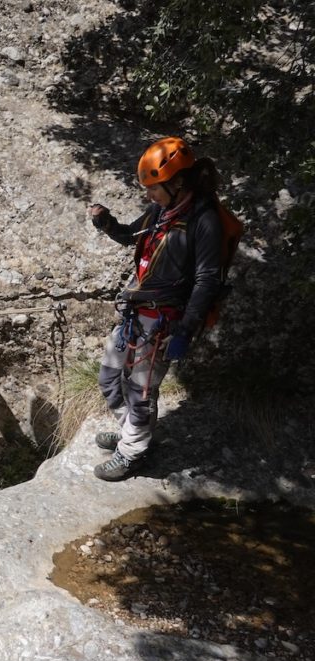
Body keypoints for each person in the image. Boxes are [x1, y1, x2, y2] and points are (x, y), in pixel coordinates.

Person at [88, 136, 223, 481]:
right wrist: (107, 222)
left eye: (155, 188)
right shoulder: (162, 210)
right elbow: (133, 235)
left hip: (165, 320)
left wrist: (185, 330)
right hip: (136, 313)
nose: (149, 195)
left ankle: (133, 451)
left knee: (140, 389)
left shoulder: (205, 220)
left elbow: (207, 280)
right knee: (109, 377)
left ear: (178, 182)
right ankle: (136, 434)